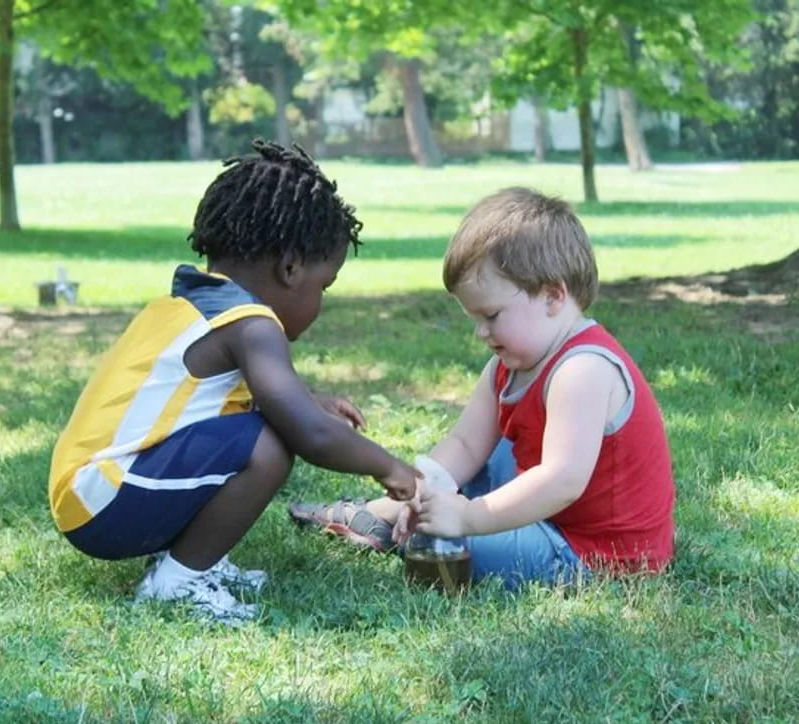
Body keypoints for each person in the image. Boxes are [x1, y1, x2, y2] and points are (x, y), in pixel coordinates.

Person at [48, 139, 419, 623]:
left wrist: (308, 398)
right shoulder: (251, 324)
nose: (320, 302)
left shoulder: (190, 304)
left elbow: (211, 402)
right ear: (290, 269)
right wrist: (391, 468)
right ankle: (179, 583)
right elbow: (310, 434)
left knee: (254, 429)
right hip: (106, 502)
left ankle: (192, 561)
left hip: (90, 493)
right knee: (268, 445)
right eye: (322, 287)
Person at [290, 187, 675, 589]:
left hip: (591, 553)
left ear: (553, 296)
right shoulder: (507, 365)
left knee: (442, 539)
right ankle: (385, 513)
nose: (480, 332)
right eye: (474, 317)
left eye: (491, 315)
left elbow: (562, 480)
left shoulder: (582, 370)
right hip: (544, 515)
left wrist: (466, 518)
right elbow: (466, 446)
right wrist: (423, 493)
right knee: (471, 469)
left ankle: (408, 524)